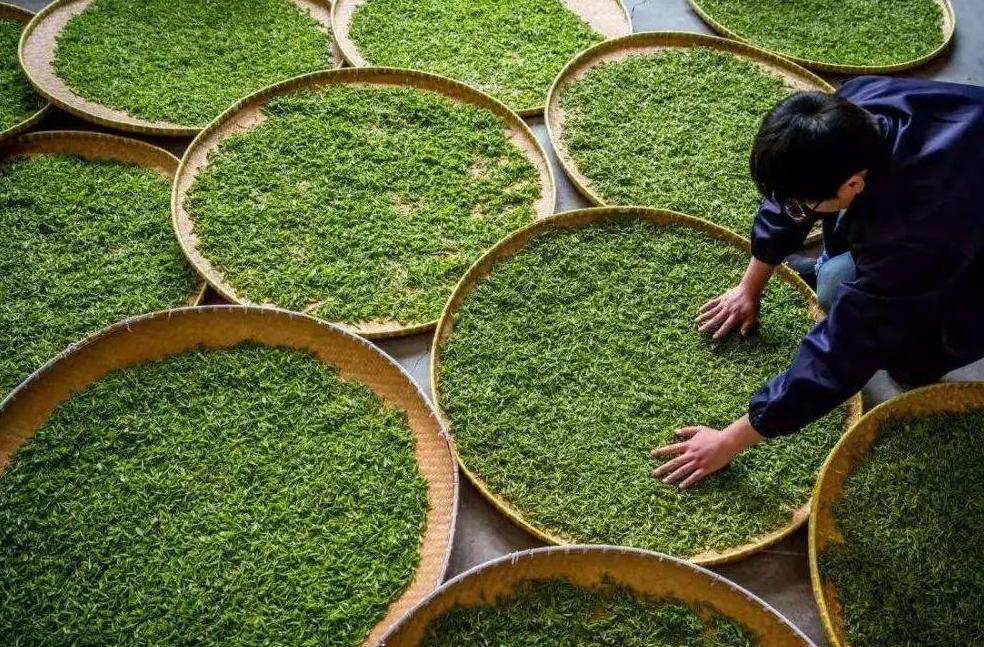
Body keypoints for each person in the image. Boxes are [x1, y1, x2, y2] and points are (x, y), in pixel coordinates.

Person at [653, 76, 984, 490]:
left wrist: (730, 439)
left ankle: (922, 362)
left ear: (853, 184)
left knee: (914, 337)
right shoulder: (848, 110)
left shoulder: (916, 230)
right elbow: (788, 202)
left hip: (964, 224)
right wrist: (748, 288)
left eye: (806, 202)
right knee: (835, 275)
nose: (798, 209)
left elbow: (846, 351)